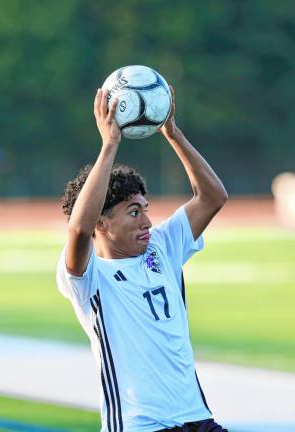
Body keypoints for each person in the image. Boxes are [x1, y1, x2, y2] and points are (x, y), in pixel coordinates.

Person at [56, 86, 228, 432]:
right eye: (133, 212)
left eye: (145, 210)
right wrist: (109, 145)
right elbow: (78, 229)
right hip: (141, 425)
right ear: (101, 223)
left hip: (197, 419)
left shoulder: (162, 247)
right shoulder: (88, 277)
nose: (148, 222)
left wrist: (172, 132)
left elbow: (213, 196)